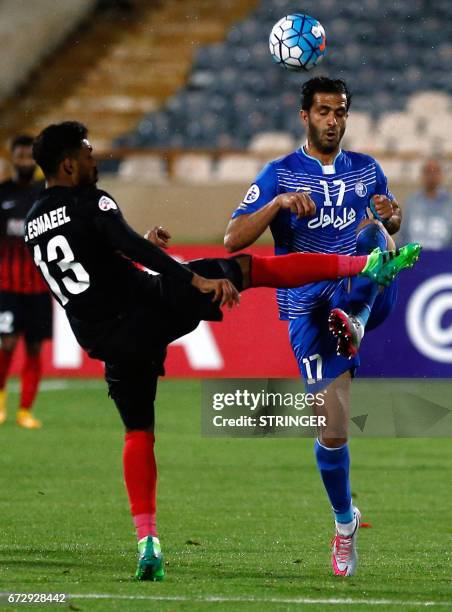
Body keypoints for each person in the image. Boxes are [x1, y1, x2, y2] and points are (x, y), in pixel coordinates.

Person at [26, 121, 417, 581]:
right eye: (89, 153)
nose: (95, 160)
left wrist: (132, 257)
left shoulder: (34, 219)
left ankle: (148, 542)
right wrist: (194, 279)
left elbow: (89, 266)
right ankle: (362, 264)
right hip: (146, 308)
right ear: (69, 164)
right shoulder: (94, 200)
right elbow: (129, 243)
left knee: (138, 431)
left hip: (105, 340)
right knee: (248, 270)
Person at [225, 77, 420, 577]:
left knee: (372, 235)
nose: (333, 120)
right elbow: (232, 239)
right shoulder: (280, 173)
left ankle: (354, 319)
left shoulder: (367, 169)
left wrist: (392, 216)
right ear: (304, 116)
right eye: (324, 112)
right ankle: (344, 522)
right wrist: (278, 205)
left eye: (340, 112)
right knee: (332, 430)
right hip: (308, 310)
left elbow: (388, 224)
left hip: (361, 292)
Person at [0, 135, 51, 429]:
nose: (25, 163)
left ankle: (25, 411)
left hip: (39, 288)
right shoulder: (2, 194)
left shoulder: (44, 196)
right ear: (12, 159)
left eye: (29, 157)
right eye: (19, 157)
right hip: (6, 287)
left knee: (34, 348)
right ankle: (2, 403)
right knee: (6, 344)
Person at [401, 158, 452, 249]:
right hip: (415, 258)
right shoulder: (411, 202)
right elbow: (404, 236)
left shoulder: (449, 204)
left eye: (435, 171)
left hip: (443, 259)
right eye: (428, 171)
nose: (431, 175)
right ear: (422, 175)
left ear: (442, 175)